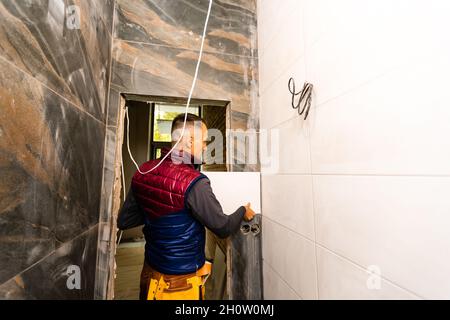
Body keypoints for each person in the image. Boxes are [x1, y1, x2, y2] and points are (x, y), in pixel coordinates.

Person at [117, 113, 255, 300]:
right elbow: (222, 227)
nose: (206, 146)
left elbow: (124, 220)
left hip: (149, 274)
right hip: (180, 286)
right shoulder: (195, 182)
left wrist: (162, 209)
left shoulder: (144, 170)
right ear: (190, 141)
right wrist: (242, 210)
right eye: (204, 141)